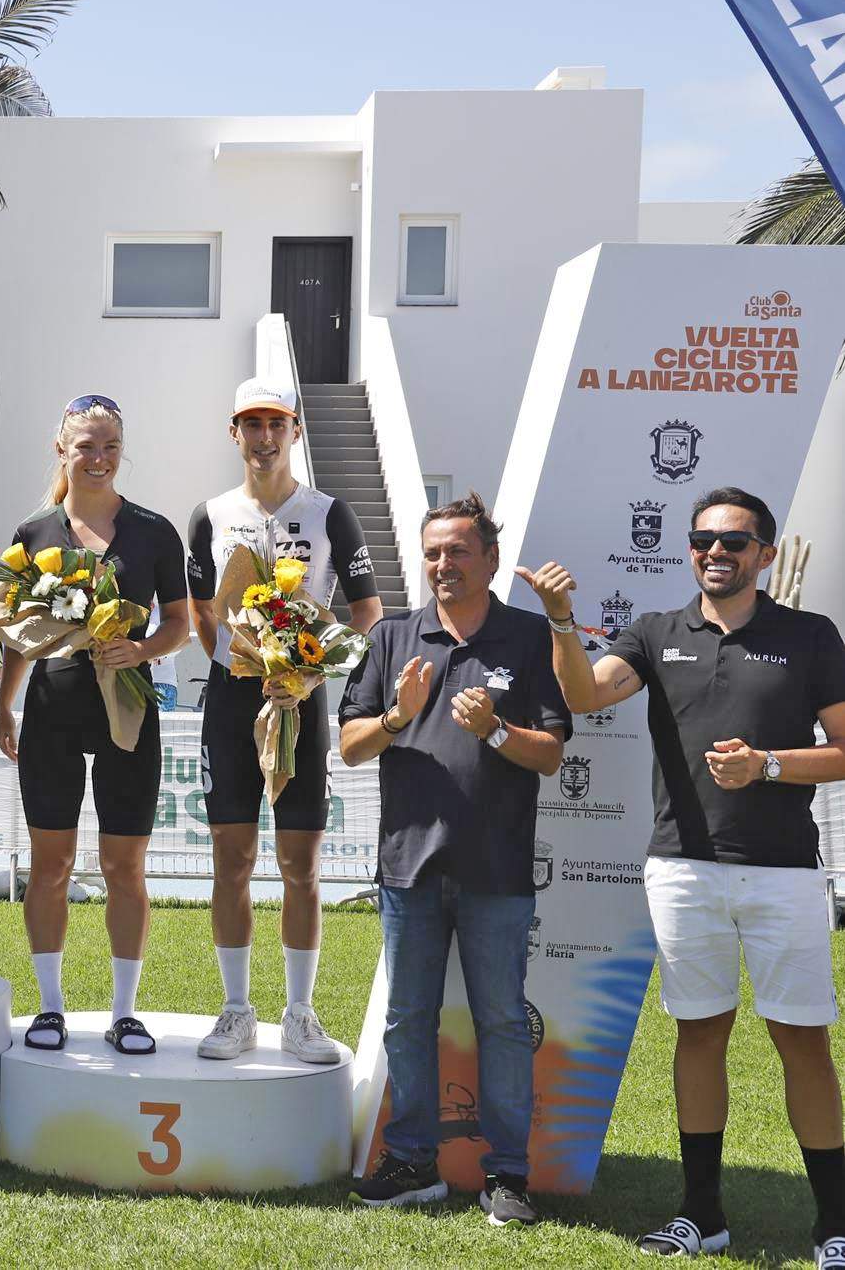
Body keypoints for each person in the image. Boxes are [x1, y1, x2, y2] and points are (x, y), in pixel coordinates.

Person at [521, 486, 845, 1264]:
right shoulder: (654, 631)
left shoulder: (809, 634)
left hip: (781, 873)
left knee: (801, 1042)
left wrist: (766, 765)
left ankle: (834, 1225)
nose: (714, 553)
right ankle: (701, 1215)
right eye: (702, 539)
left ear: (763, 554)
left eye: (733, 542)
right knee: (698, 1034)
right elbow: (583, 694)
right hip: (680, 869)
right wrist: (562, 624)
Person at [338, 492, 565, 1226]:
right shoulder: (392, 636)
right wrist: (398, 716)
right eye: (432, 552)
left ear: (489, 560)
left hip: (496, 871)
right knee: (407, 1020)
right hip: (408, 867)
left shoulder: (527, 639)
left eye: (457, 551)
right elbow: (348, 746)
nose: (441, 564)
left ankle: (507, 1175)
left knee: (500, 1022)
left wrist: (496, 732)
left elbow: (553, 753)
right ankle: (411, 1162)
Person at [186, 379, 382, 1064]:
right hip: (232, 701)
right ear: (233, 432)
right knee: (230, 861)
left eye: (275, 424)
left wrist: (308, 672)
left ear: (294, 431)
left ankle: (299, 1015)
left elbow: (365, 612)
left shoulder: (330, 513)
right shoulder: (210, 515)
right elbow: (200, 616)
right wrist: (244, 661)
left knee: (300, 865)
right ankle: (235, 1012)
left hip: (301, 702)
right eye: (250, 424)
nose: (263, 437)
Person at [0, 395, 191, 1055]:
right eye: (86, 446)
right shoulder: (34, 532)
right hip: (52, 708)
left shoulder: (154, 531)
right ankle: (48, 1008)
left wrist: (139, 650)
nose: (99, 458)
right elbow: (19, 635)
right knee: (50, 865)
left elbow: (179, 624)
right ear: (62, 450)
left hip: (128, 707)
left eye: (109, 445)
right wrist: (4, 707)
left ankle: (123, 1012)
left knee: (122, 865)